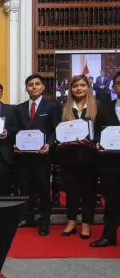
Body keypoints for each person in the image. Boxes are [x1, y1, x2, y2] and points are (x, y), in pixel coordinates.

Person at [14, 74, 61, 236]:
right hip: (24, 156)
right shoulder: (19, 108)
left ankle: (44, 221)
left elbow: (56, 129)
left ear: (43, 87)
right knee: (26, 189)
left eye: (37, 84)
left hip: (43, 156)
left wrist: (50, 144)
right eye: (30, 85)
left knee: (43, 189)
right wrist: (15, 144)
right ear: (26, 88)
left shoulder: (52, 106)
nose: (33, 87)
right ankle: (27, 218)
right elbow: (16, 130)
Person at [58, 75, 97, 239]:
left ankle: (86, 223)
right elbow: (58, 130)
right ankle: (72, 221)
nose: (79, 88)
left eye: (82, 85)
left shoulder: (97, 107)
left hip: (90, 158)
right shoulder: (64, 108)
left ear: (88, 87)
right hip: (68, 157)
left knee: (89, 192)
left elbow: (101, 131)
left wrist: (96, 142)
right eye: (75, 86)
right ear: (70, 89)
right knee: (71, 191)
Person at [91, 71, 120, 248]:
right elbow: (97, 131)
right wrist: (97, 143)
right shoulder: (105, 107)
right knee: (112, 200)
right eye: (119, 83)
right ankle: (109, 235)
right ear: (114, 87)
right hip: (111, 162)